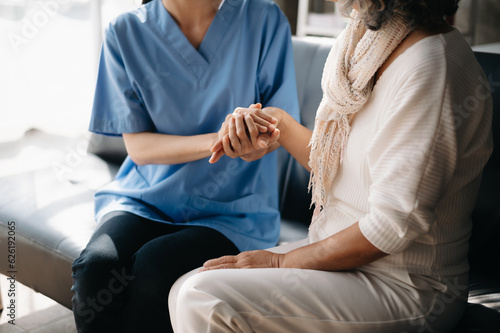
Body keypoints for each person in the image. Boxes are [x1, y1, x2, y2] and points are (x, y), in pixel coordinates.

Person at [169, 0, 494, 332]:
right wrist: (275, 124)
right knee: (186, 287)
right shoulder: (365, 41)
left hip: (406, 284)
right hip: (342, 255)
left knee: (203, 298)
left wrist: (280, 261)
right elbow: (344, 165)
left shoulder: (430, 66)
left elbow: (392, 224)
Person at [70, 0, 299, 332]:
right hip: (143, 199)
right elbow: (139, 148)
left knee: (154, 270)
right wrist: (219, 140)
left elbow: (277, 131)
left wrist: (251, 145)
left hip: (232, 210)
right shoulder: (125, 32)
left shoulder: (263, 19)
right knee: (95, 270)